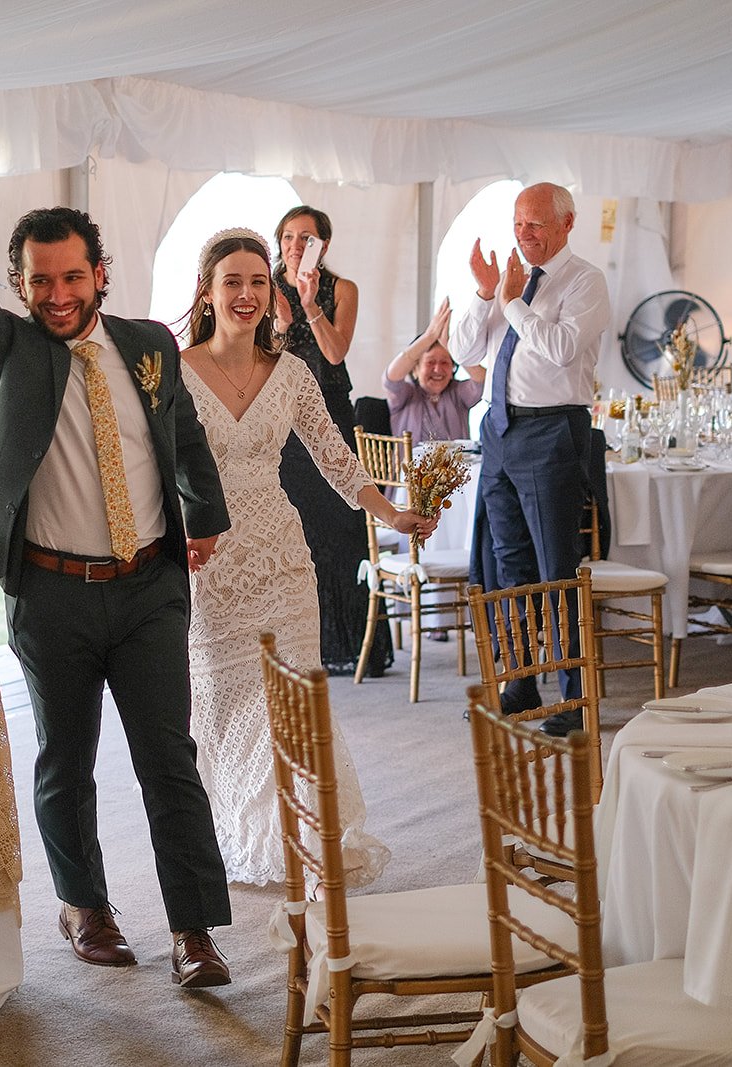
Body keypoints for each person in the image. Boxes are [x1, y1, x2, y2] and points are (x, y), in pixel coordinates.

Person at [0, 98, 234, 989]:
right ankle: (85, 906)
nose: (57, 295)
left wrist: (201, 517)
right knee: (65, 755)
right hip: (51, 593)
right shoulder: (9, 353)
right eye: (39, 281)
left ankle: (195, 929)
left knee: (168, 757)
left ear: (100, 273)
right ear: (22, 285)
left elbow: (182, 440)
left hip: (148, 590)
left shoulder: (148, 345)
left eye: (72, 278)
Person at [179, 228, 433, 886]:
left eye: (258, 282)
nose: (245, 293)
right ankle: (241, 831)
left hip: (284, 564)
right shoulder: (176, 371)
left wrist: (392, 513)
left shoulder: (291, 374)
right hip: (211, 566)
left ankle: (302, 838)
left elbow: (334, 457)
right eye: (231, 281)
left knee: (290, 705)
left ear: (274, 291)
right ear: (207, 290)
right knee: (229, 706)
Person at [452, 183, 610, 737]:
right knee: (508, 564)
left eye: (537, 224)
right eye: (519, 224)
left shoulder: (585, 280)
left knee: (555, 567)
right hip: (498, 431)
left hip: (551, 431)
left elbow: (563, 348)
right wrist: (484, 293)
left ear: (568, 224)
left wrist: (514, 304)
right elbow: (463, 351)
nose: (525, 234)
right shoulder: (508, 281)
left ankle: (573, 696)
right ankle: (520, 680)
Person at [271, 206, 391, 675]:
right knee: (295, 527)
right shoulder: (266, 286)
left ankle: (355, 645)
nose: (296, 246)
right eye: (287, 237)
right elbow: (265, 359)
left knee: (343, 526)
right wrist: (281, 325)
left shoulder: (342, 289)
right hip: (285, 417)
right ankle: (300, 647)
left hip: (332, 409)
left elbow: (335, 352)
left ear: (324, 244)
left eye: (306, 238)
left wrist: (308, 306)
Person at [383, 296, 487, 442]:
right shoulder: (405, 394)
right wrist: (429, 337)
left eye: (445, 362)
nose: (438, 369)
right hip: (410, 465)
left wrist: (451, 346)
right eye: (430, 362)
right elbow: (390, 379)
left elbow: (484, 381)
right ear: (415, 369)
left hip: (455, 465)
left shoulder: (458, 393)